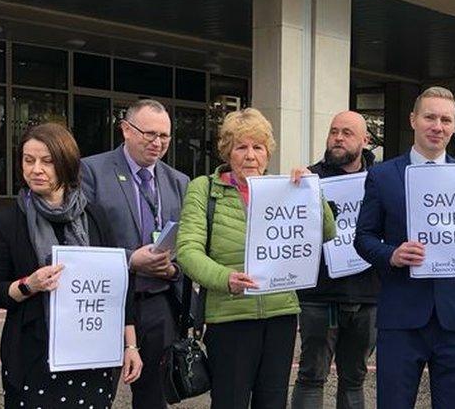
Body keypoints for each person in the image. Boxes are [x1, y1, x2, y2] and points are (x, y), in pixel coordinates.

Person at [176, 108, 336, 408]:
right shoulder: (204, 189)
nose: (250, 155)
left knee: (273, 401)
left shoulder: (286, 188)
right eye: (241, 147)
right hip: (230, 317)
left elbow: (326, 232)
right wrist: (225, 278)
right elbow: (187, 250)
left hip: (281, 315)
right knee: (230, 401)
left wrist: (313, 192)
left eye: (258, 147)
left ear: (267, 153)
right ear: (227, 151)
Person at [353, 86, 455, 409]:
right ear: (413, 120)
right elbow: (362, 238)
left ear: (454, 126)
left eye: (446, 120)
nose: (438, 126)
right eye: (430, 117)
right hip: (402, 315)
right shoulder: (382, 175)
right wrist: (391, 254)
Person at [0, 123, 142, 408]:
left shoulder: (95, 217)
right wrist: (27, 285)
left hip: (91, 358)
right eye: (28, 160)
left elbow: (119, 288)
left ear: (66, 164)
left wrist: (130, 345)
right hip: (33, 360)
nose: (36, 169)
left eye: (47, 161)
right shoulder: (7, 223)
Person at [80, 99, 188, 409]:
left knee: (153, 397)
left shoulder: (179, 182)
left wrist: (174, 270)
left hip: (158, 303)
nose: (157, 143)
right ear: (126, 130)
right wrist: (130, 260)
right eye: (149, 134)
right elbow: (82, 238)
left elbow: (190, 244)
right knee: (96, 394)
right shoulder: (92, 171)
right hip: (108, 302)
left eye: (164, 136)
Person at [291, 111, 380, 409]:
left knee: (354, 380)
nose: (338, 138)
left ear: (365, 140)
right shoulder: (308, 178)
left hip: (368, 295)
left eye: (347, 133)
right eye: (333, 131)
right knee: (311, 377)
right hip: (319, 296)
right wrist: (294, 189)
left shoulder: (380, 179)